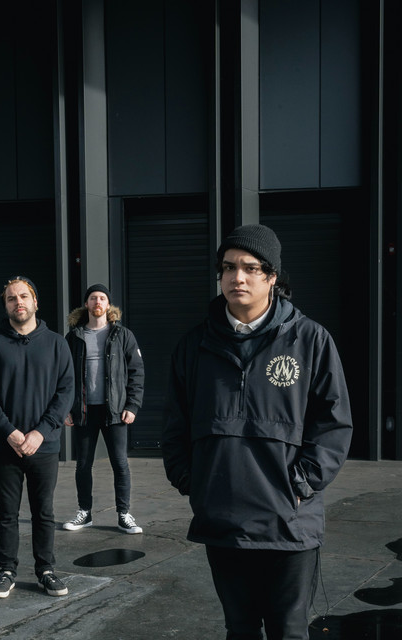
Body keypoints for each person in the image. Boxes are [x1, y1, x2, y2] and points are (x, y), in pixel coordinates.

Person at [161, 225, 352, 640]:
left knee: (289, 631)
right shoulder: (194, 346)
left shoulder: (310, 340)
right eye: (229, 267)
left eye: (250, 268)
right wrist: (193, 482)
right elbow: (175, 425)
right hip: (222, 521)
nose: (238, 278)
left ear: (272, 276)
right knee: (241, 629)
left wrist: (300, 484)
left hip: (289, 523)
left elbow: (333, 424)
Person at [0, 276, 74, 599]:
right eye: (11, 298)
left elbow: (65, 392)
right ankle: (6, 571)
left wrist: (40, 432)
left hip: (44, 445)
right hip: (6, 445)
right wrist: (10, 432)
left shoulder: (57, 344)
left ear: (35, 302)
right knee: (6, 513)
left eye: (23, 296)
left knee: (44, 512)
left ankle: (46, 570)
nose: (18, 302)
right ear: (5, 306)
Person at [62, 284, 145, 534]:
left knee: (120, 463)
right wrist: (65, 408)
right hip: (84, 410)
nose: (97, 302)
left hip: (115, 411)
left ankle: (124, 514)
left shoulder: (123, 335)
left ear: (108, 305)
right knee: (83, 464)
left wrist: (132, 405)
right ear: (86, 304)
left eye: (102, 298)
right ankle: (84, 513)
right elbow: (63, 376)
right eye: (92, 298)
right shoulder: (73, 337)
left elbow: (136, 372)